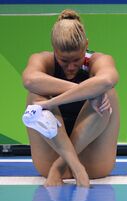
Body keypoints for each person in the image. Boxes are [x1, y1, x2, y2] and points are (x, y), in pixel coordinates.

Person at [22, 9, 120, 187]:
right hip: (48, 160)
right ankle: (72, 165)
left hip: (93, 165)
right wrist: (86, 92)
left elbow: (107, 79)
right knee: (35, 94)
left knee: (107, 93)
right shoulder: (42, 60)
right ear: (54, 50)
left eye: (76, 59)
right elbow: (29, 79)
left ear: (86, 46)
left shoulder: (98, 60)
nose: (71, 67)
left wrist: (53, 101)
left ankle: (61, 167)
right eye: (64, 61)